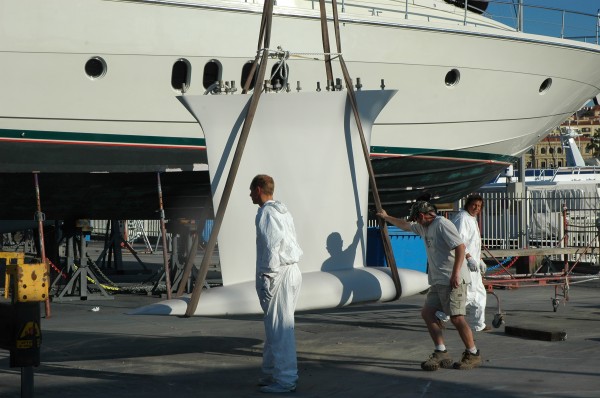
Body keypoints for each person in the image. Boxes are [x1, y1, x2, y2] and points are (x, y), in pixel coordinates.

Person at [377, 201, 482, 371]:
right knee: (427, 313)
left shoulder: (442, 224)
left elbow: (460, 247)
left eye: (417, 218)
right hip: (438, 280)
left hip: (452, 279)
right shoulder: (423, 227)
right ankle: (441, 351)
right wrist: (386, 216)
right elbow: (405, 225)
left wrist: (456, 273)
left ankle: (473, 353)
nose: (416, 222)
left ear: (422, 215)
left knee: (457, 317)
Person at [250, 174, 303, 393]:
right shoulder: (283, 211)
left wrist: (268, 275)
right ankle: (272, 371)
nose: (250, 194)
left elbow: (272, 244)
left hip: (278, 272)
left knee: (281, 328)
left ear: (260, 189)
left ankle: (286, 380)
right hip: (291, 270)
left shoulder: (267, 213)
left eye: (252, 189)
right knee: (276, 326)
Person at [452, 194, 490, 332]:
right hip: (465, 264)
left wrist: (479, 259)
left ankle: (478, 324)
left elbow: (473, 244)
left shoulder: (472, 219)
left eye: (479, 206)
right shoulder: (462, 218)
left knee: (480, 294)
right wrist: (469, 258)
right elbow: (459, 242)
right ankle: (441, 315)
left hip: (474, 264)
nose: (476, 208)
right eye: (474, 205)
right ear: (468, 204)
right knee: (469, 294)